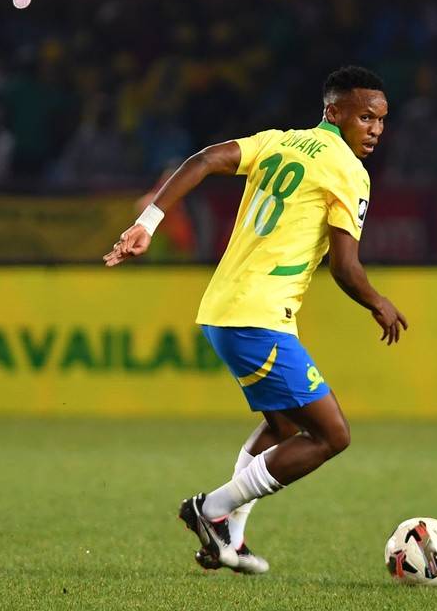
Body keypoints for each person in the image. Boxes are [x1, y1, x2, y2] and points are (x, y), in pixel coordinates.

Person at [103, 66, 408, 574]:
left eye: (381, 119)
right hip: (256, 316)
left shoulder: (278, 142)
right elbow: (345, 267)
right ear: (333, 112)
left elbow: (203, 160)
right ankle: (210, 509)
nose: (375, 129)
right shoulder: (349, 172)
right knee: (332, 436)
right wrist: (378, 302)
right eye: (365, 118)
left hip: (226, 309)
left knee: (283, 423)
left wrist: (146, 222)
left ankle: (230, 538)